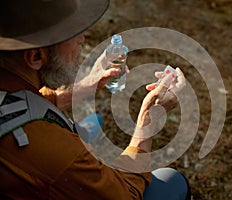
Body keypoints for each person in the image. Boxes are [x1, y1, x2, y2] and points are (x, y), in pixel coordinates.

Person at [0, 0, 191, 199]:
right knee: (171, 182)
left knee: (90, 126)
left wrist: (87, 86)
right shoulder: (56, 151)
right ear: (36, 57)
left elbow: (19, 106)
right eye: (71, 34)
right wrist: (149, 118)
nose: (81, 38)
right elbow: (125, 194)